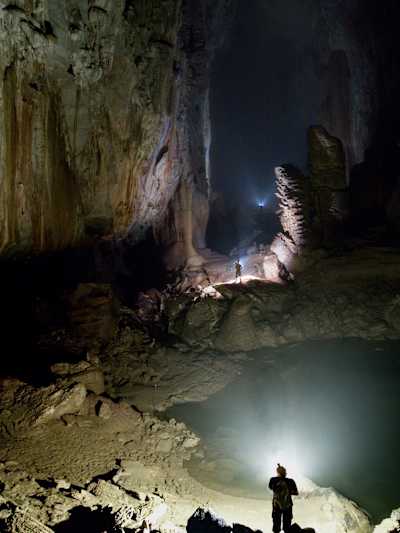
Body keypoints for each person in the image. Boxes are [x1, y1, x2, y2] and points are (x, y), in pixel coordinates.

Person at [269, 464, 298, 533]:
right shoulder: (291, 481)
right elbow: (296, 492)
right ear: (285, 473)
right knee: (287, 527)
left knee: (276, 527)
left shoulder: (273, 480)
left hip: (276, 505)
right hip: (287, 505)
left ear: (277, 472)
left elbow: (270, 487)